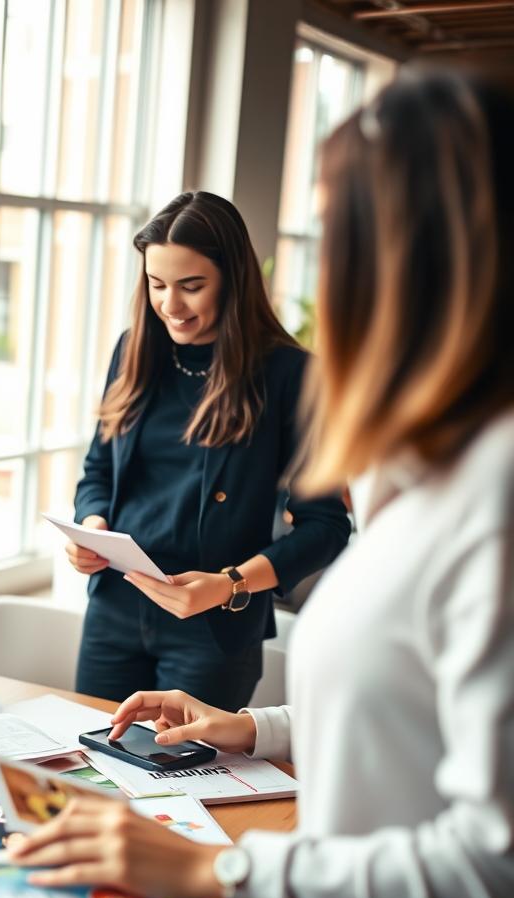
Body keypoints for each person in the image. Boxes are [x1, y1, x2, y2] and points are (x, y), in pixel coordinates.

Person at [11, 65, 514, 898]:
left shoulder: (485, 489)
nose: (332, 275)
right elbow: (405, 720)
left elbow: (494, 869)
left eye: (346, 241)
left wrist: (226, 869)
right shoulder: (432, 465)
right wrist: (257, 731)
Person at [69, 191, 350, 709]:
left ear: (232, 280)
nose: (170, 305)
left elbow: (327, 527)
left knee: (182, 784)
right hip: (115, 608)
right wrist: (91, 527)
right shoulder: (134, 350)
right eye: (157, 285)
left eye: (191, 286)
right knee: (90, 768)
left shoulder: (290, 374)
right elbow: (98, 473)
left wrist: (228, 585)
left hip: (215, 628)